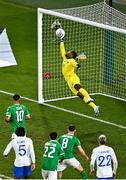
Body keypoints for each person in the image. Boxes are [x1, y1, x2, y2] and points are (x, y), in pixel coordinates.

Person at [51, 20, 99, 116]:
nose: (67, 52)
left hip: (73, 78)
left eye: (70, 52)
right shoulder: (65, 58)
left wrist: (78, 66)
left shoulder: (72, 61)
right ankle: (94, 107)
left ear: (72, 55)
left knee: (78, 87)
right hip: (68, 81)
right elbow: (62, 49)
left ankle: (89, 97)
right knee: (80, 95)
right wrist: (62, 39)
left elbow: (76, 65)